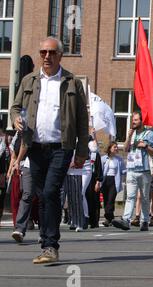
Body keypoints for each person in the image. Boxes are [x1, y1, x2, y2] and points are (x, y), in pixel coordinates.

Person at [10, 37, 89, 264]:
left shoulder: (72, 82)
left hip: (61, 147)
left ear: (60, 56)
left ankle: (51, 245)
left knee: (50, 192)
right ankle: (46, 244)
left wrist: (81, 151)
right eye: (43, 52)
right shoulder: (29, 80)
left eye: (51, 53)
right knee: (42, 196)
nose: (47, 56)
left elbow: (82, 120)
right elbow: (15, 107)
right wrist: (16, 119)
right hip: (35, 147)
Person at [111, 112, 153, 231]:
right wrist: (128, 137)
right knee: (130, 196)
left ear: (142, 121)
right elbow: (126, 149)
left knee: (145, 197)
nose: (133, 122)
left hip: (144, 170)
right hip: (131, 169)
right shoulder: (131, 134)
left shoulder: (150, 134)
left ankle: (145, 221)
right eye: (133, 120)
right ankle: (126, 220)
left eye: (136, 120)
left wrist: (146, 146)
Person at [101, 141, 126, 226]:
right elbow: (100, 170)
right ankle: (110, 219)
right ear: (110, 148)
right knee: (106, 200)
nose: (116, 148)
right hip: (105, 180)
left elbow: (123, 170)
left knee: (111, 200)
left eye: (116, 147)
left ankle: (108, 216)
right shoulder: (104, 158)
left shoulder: (119, 159)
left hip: (114, 180)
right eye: (114, 147)